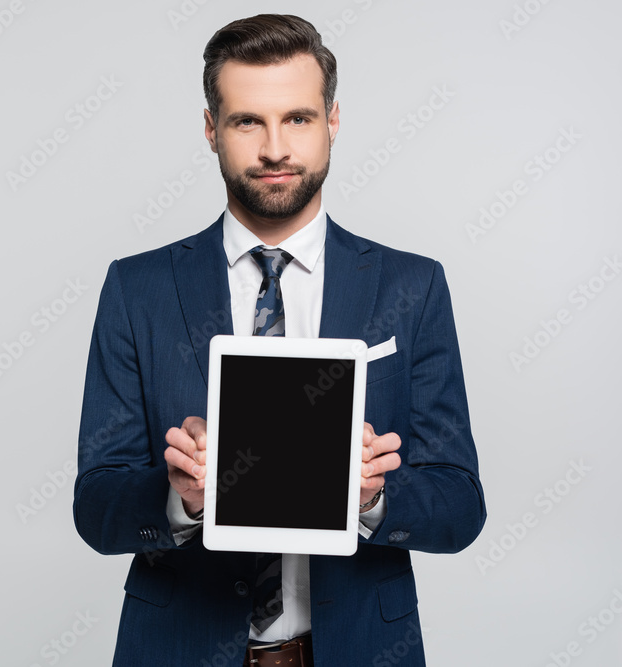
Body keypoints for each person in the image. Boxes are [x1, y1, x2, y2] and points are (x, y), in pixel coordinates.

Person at [73, 14, 485, 667]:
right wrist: (176, 498)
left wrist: (375, 498)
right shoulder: (137, 288)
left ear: (332, 120)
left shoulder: (414, 286)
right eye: (246, 121)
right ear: (211, 129)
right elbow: (95, 506)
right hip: (178, 647)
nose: (274, 148)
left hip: (357, 648)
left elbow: (461, 506)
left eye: (297, 118)